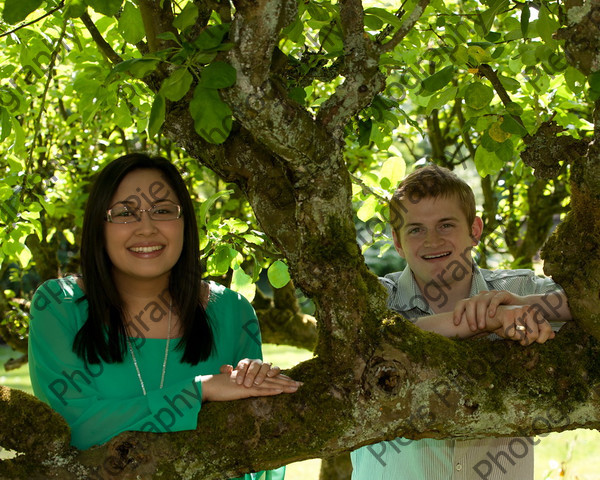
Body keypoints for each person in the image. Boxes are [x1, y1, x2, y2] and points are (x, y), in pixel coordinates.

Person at [28, 153, 301, 480]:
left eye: (162, 211)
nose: (146, 228)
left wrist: (257, 387)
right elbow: (76, 429)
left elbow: (259, 452)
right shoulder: (60, 305)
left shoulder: (232, 311)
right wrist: (200, 390)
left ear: (185, 223)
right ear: (98, 227)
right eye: (125, 213)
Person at [350, 164, 571, 480]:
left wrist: (525, 305)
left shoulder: (519, 289)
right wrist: (481, 320)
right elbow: (362, 343)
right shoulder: (376, 299)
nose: (431, 241)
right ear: (397, 242)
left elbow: (588, 301)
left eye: (445, 225)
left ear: (475, 230)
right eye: (415, 229)